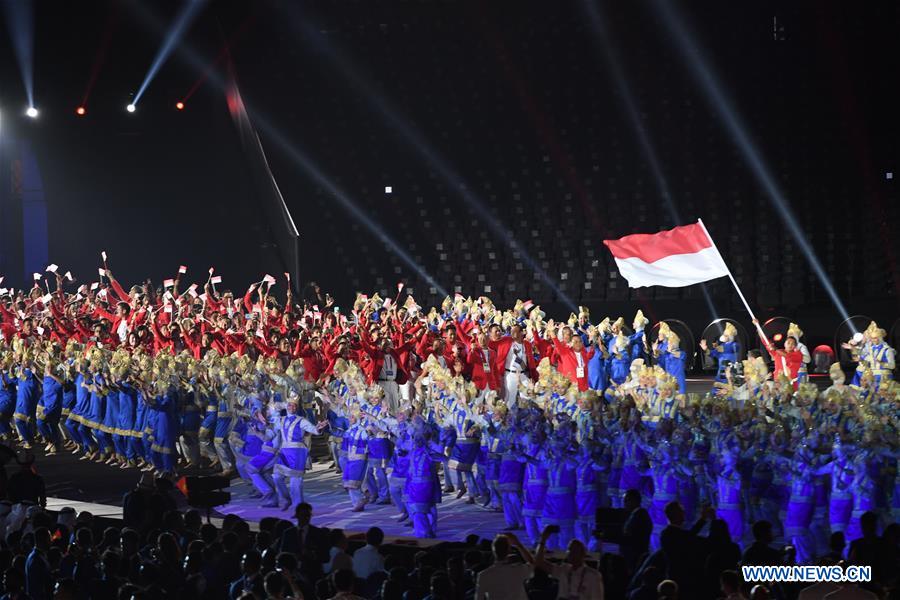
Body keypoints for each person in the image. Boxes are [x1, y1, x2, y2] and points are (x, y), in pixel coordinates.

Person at [533, 525, 604, 600]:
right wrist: (543, 539)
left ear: (582, 554)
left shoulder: (593, 575)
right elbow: (539, 562)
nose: (570, 553)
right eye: (569, 550)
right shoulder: (563, 570)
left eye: (574, 551)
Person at [474, 534, 533, 600]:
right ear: (509, 550)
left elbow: (479, 598)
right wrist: (519, 545)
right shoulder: (519, 569)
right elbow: (532, 564)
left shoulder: (483, 575)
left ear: (493, 551)